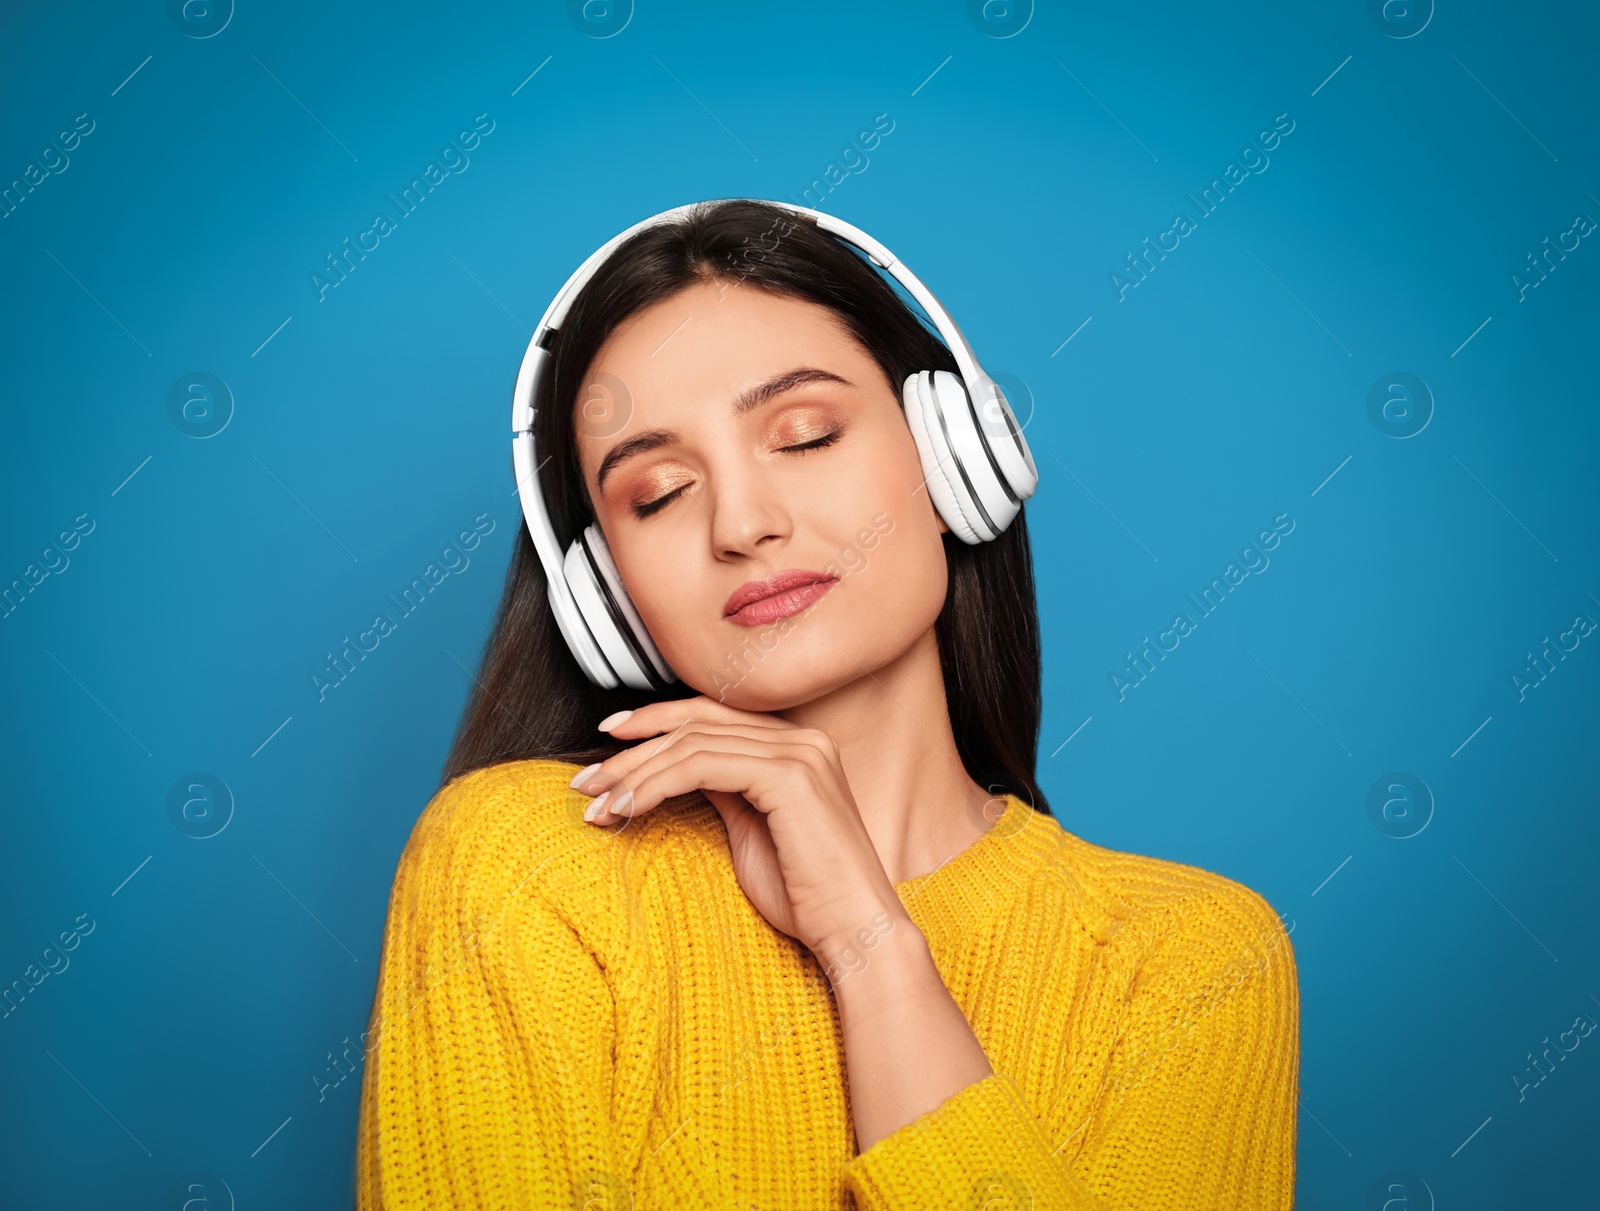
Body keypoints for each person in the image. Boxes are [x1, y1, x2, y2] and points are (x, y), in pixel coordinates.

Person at [354, 199, 1299, 1210]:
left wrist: (871, 947)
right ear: (603, 598)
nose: (745, 523)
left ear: (953, 457)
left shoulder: (1193, 961)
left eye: (803, 435)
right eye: (658, 492)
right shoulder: (523, 863)